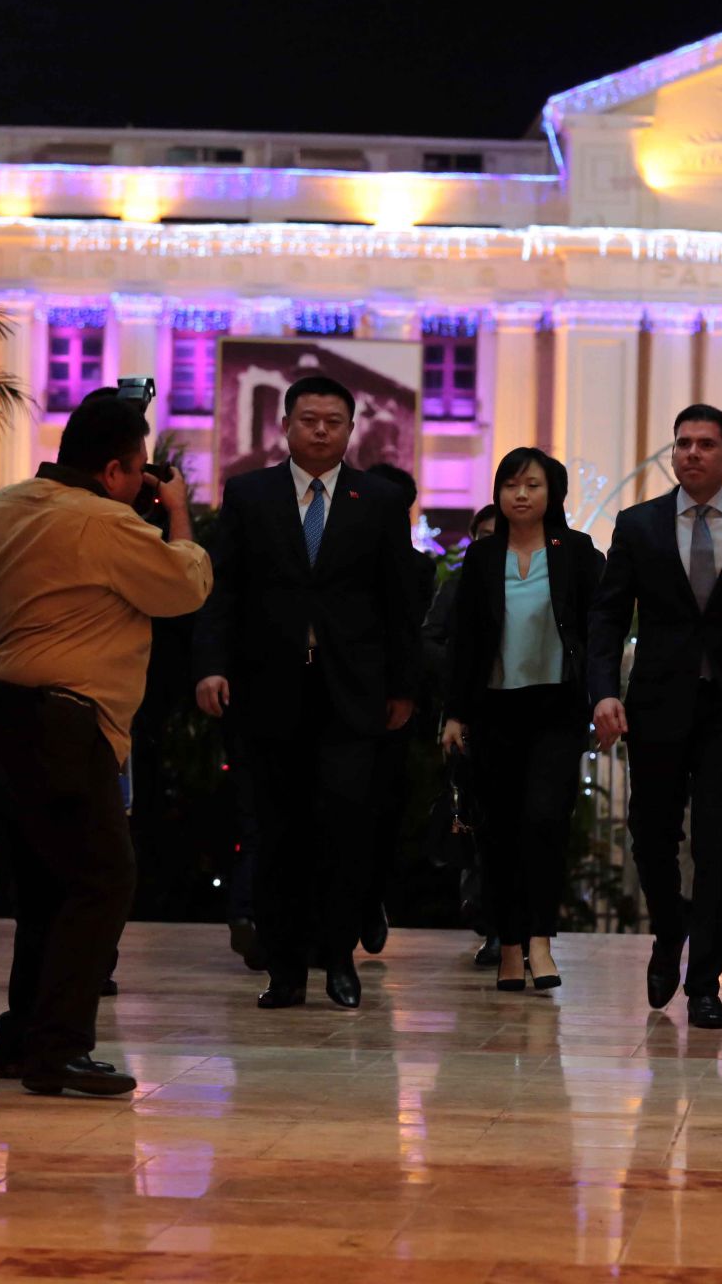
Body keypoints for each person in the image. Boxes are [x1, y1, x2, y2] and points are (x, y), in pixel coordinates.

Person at [0, 395, 212, 1096]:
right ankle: (60, 1048)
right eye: (138, 472)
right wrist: (176, 513)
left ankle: (22, 1040)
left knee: (45, 888)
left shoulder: (2, 509)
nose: (144, 482)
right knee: (103, 879)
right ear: (113, 470)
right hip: (65, 723)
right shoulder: (103, 522)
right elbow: (184, 584)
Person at [194, 376, 423, 1010]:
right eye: (308, 419)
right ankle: (285, 968)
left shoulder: (376, 499)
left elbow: (399, 601)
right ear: (286, 426)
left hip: (352, 694)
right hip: (269, 691)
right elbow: (225, 590)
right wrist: (212, 667)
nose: (320, 430)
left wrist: (403, 686)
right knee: (276, 834)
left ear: (351, 430)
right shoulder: (249, 493)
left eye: (333, 421)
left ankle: (338, 961)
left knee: (344, 830)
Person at [587, 405, 722, 1029]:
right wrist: (603, 690)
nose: (691, 454)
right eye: (682, 443)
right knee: (652, 835)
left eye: (706, 445)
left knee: (721, 845)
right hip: (657, 703)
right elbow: (607, 618)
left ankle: (705, 979)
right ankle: (667, 934)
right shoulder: (639, 525)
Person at [442, 448, 604, 991]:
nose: (520, 494)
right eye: (510, 484)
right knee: (499, 831)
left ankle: (541, 940)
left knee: (544, 821)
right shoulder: (483, 557)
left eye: (532, 484)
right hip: (495, 710)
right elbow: (464, 641)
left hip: (556, 708)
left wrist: (604, 696)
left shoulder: (577, 553)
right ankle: (509, 946)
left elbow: (598, 634)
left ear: (551, 493)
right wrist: (454, 712)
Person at [359, 461, 438, 956]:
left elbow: (411, 639)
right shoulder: (329, 557)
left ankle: (369, 900)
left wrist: (406, 695)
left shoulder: (417, 568)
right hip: (335, 699)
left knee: (383, 809)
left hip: (390, 704)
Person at [423, 503, 502, 968]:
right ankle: (487, 918)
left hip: (524, 716)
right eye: (484, 535)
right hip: (469, 719)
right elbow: (429, 640)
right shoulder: (456, 588)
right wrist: (463, 675)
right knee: (474, 817)